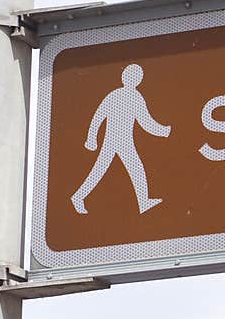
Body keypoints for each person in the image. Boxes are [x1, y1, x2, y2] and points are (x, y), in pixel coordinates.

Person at [71, 63, 171, 214]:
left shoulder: (126, 96)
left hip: (122, 140)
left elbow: (145, 121)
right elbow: (100, 116)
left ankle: (143, 201)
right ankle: (78, 197)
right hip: (116, 140)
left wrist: (162, 130)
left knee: (128, 168)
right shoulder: (123, 96)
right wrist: (91, 138)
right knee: (106, 169)